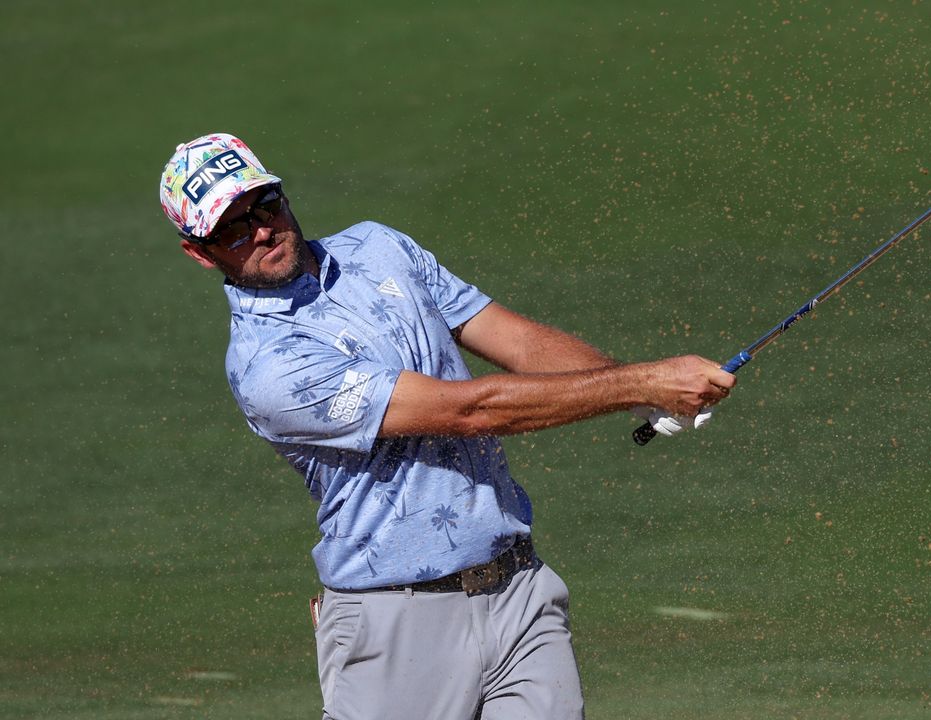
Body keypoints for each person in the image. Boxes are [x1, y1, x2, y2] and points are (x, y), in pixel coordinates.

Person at [158, 133, 735, 720]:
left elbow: (515, 340)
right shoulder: (269, 366)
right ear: (200, 253)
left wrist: (634, 389)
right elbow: (470, 411)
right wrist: (638, 385)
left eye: (265, 205)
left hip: (518, 594)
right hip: (396, 624)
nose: (260, 230)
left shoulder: (378, 247)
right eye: (231, 228)